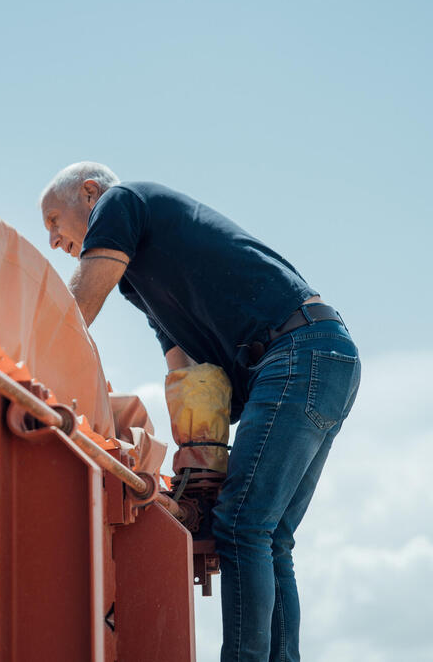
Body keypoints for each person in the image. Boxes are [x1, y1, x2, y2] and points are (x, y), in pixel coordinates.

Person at [39, 161, 360, 662]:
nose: (54, 243)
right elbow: (187, 374)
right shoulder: (144, 283)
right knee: (268, 535)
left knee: (240, 525)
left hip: (296, 353)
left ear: (87, 193)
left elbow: (79, 306)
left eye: (54, 223)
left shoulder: (121, 202)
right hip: (322, 356)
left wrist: (34, 366)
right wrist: (198, 461)